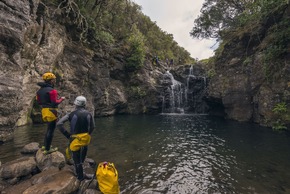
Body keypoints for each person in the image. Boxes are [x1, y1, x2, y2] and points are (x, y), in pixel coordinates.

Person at [56, 96, 95, 181]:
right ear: (84, 104)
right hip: (85, 139)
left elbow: (59, 124)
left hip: (74, 139)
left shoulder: (70, 114)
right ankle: (82, 174)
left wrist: (67, 135)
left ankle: (80, 177)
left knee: (76, 160)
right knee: (82, 159)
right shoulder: (89, 114)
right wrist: (88, 134)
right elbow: (92, 127)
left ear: (75, 104)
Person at [36, 72, 65, 154]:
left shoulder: (39, 91)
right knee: (51, 130)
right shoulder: (52, 91)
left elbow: (39, 102)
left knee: (48, 129)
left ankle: (45, 146)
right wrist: (61, 99)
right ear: (51, 80)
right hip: (51, 111)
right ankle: (47, 149)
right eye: (54, 79)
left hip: (44, 111)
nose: (55, 81)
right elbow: (54, 103)